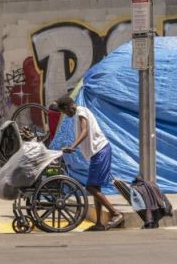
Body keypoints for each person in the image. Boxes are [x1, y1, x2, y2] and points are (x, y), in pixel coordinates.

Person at [51, 95, 124, 231]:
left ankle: (116, 213)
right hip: (96, 154)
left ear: (68, 107)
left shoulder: (81, 112)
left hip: (100, 151)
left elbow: (85, 131)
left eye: (65, 112)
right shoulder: (78, 114)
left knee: (91, 187)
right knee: (96, 188)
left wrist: (73, 146)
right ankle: (99, 223)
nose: (66, 115)